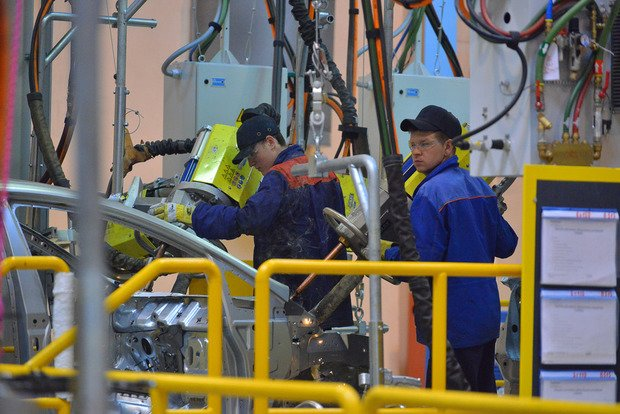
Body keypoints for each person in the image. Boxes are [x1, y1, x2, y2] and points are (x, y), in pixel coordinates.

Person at [151, 113, 353, 329]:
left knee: (285, 348)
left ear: (270, 142)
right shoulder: (325, 171)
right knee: (330, 344)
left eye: (252, 154)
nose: (250, 163)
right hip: (331, 292)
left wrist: (193, 214)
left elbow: (248, 219)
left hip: (292, 293)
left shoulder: (279, 176)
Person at [385, 105, 518, 393]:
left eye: (425, 144)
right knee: (480, 400)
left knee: (447, 404)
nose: (416, 152)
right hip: (484, 319)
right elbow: (508, 245)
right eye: (412, 145)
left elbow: (420, 261)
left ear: (448, 147)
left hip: (452, 323)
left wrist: (385, 254)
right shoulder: (479, 186)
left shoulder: (430, 193)